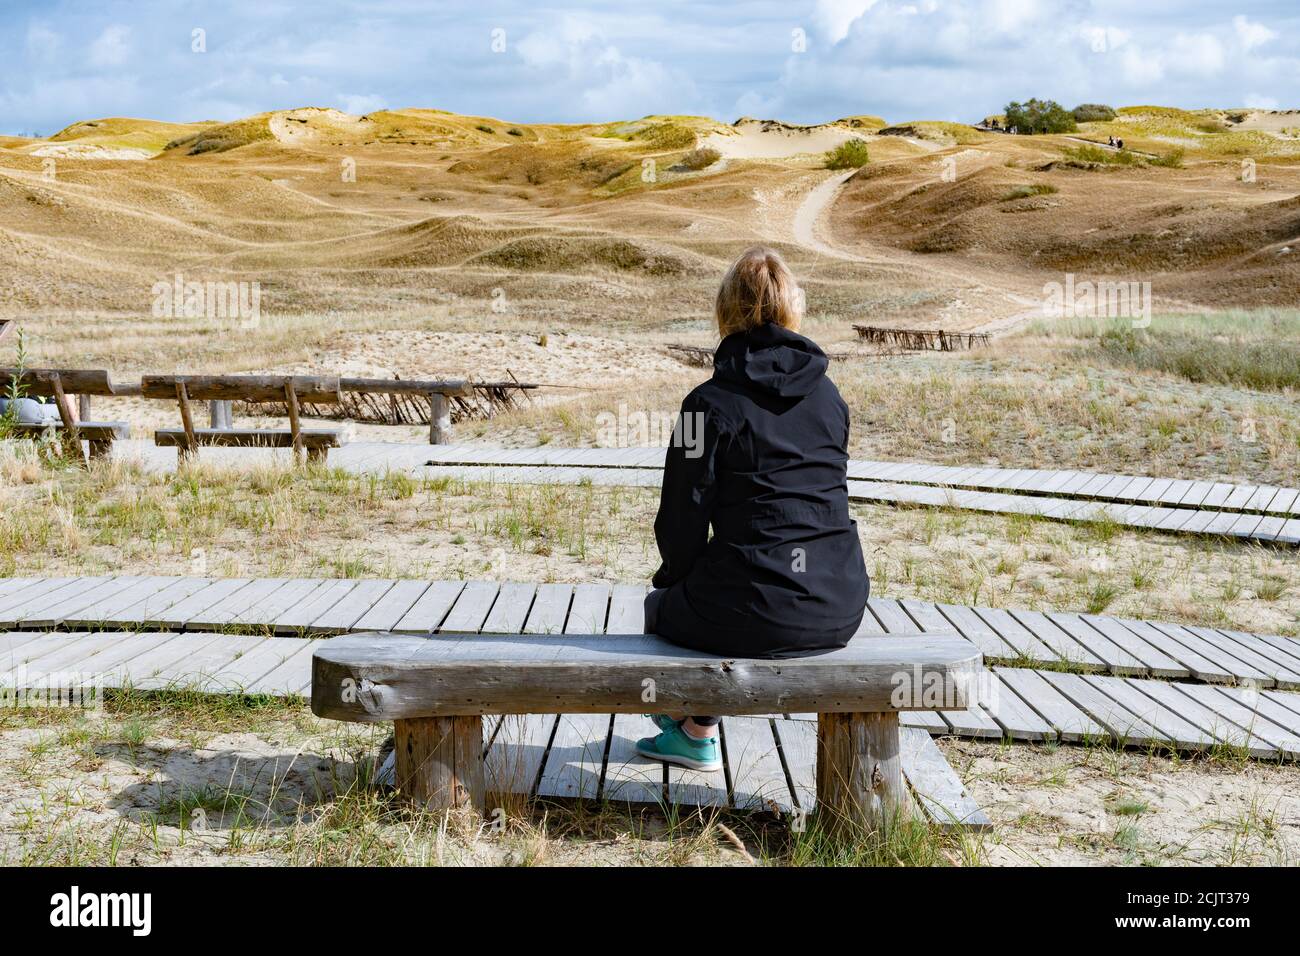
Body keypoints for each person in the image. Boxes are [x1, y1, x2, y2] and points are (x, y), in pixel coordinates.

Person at [636, 246, 870, 772]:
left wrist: (673, 580)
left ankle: (693, 733)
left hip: (751, 603)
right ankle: (696, 728)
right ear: (793, 310)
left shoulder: (705, 405)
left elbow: (681, 518)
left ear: (725, 311)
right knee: (734, 595)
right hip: (840, 600)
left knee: (662, 609)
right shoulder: (831, 399)